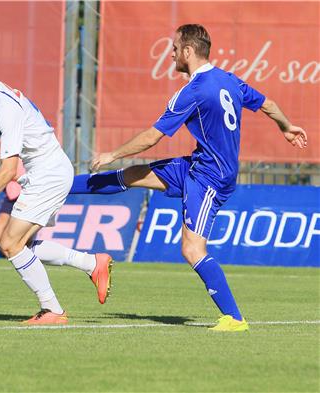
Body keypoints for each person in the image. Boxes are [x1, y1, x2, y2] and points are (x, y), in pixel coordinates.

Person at [70, 24, 308, 332]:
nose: (170, 54)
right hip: (196, 165)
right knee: (132, 176)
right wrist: (286, 128)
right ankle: (63, 186)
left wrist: (112, 153)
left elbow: (152, 137)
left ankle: (234, 319)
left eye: (173, 49)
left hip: (211, 176)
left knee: (192, 249)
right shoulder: (228, 80)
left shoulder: (194, 91)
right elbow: (269, 105)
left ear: (188, 52)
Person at [0, 47, 112, 325]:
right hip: (46, 173)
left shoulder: (6, 109)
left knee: (11, 244)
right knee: (20, 244)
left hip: (48, 174)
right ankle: (92, 264)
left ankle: (53, 310)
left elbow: (8, 171)